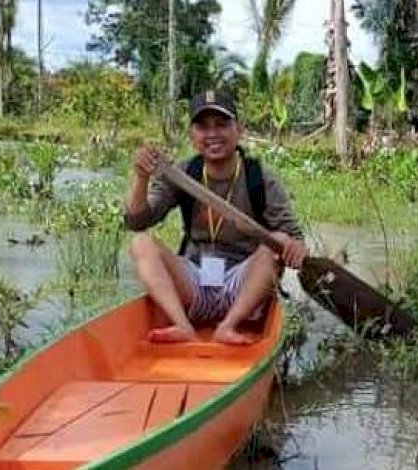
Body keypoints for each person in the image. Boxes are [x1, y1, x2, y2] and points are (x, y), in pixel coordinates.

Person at [123, 90, 307, 346]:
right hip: (195, 279)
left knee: (276, 241)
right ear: (192, 135)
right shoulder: (183, 173)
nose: (212, 135)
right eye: (202, 127)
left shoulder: (259, 178)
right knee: (140, 243)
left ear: (239, 130)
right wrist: (141, 177)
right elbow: (137, 221)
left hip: (241, 285)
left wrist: (294, 247)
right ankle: (182, 325)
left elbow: (293, 237)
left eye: (222, 125)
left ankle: (228, 326)